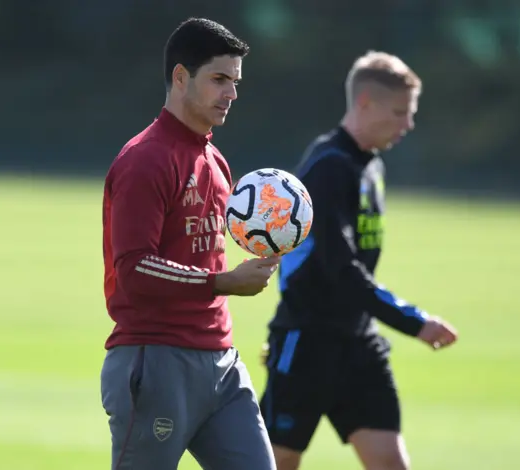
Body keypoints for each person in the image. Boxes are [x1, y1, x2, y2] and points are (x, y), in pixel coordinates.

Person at [259, 51, 459, 470]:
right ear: (365, 103)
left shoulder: (369, 166)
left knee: (390, 463)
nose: (408, 125)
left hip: (357, 344)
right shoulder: (330, 167)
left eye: (411, 113)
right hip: (308, 342)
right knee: (276, 463)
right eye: (400, 113)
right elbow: (340, 268)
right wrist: (413, 321)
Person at [100, 17, 279, 470]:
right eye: (219, 79)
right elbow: (134, 269)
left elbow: (205, 250)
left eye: (235, 82)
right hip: (157, 358)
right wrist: (223, 281)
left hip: (221, 362)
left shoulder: (214, 158)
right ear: (181, 77)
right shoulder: (145, 160)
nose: (231, 93)